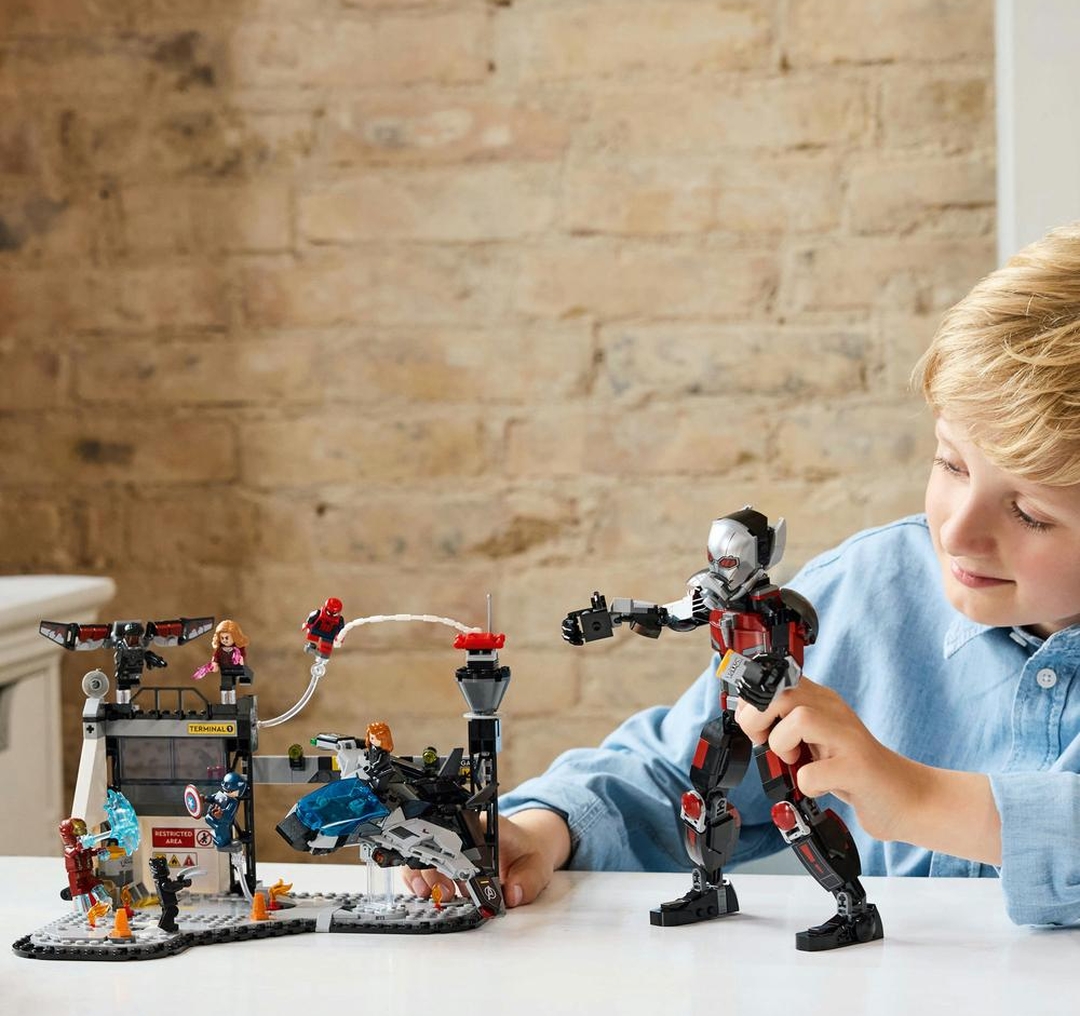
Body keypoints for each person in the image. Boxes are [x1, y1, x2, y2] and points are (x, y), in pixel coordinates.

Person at [404, 223, 1080, 927]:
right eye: (950, 464)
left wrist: (919, 799)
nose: (957, 533)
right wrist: (545, 830)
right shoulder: (867, 589)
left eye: (1030, 514)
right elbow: (671, 770)